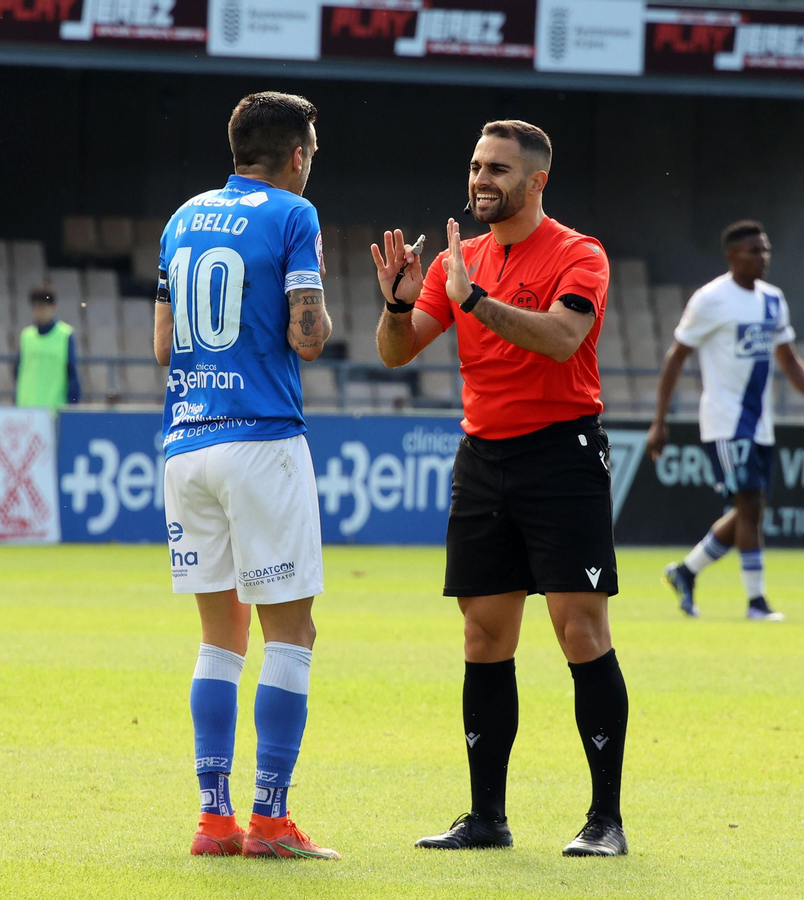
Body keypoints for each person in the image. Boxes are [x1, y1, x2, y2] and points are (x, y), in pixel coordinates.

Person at [372, 120, 629, 857]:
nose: (482, 180)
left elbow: (561, 339)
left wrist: (476, 300)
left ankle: (604, 821)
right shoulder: (462, 257)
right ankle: (487, 818)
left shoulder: (580, 254)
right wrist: (397, 302)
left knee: (580, 631)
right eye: (477, 167)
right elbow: (398, 353)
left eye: (499, 170)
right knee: (484, 636)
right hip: (483, 458)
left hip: (563, 456)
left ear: (537, 180)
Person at [156, 92, 336, 861]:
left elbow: (164, 347)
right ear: (296, 154)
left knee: (219, 640)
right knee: (290, 635)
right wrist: (320, 314)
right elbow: (308, 338)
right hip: (262, 439)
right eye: (313, 150)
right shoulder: (296, 214)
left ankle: (212, 818)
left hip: (186, 443)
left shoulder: (181, 217)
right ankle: (269, 819)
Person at [650, 221, 804, 621]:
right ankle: (756, 603)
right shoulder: (710, 300)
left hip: (760, 424)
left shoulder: (773, 300)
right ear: (732, 255)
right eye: (754, 250)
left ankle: (686, 571)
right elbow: (676, 357)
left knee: (750, 509)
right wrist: (659, 421)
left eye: (766, 250)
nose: (763, 257)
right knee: (751, 505)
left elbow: (788, 359)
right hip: (724, 421)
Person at [15, 285, 81, 409]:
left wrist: (72, 406)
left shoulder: (65, 335)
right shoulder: (26, 336)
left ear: (53, 307)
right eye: (36, 307)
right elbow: (18, 372)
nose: (39, 311)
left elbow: (72, 373)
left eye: (43, 307)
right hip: (27, 410)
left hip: (54, 410)